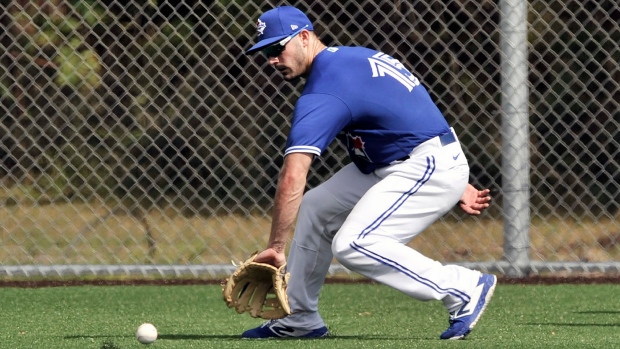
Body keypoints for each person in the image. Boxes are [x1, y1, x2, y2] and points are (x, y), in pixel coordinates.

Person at [242, 5, 495, 340]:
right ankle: (301, 317)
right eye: (266, 53)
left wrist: (276, 246)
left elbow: (293, 175)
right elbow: (402, 106)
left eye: (278, 48)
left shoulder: (325, 90)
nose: (273, 60)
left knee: (354, 244)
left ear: (304, 37)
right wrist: (453, 172)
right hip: (410, 160)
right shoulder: (350, 58)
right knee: (317, 206)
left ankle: (462, 287)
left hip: (423, 163)